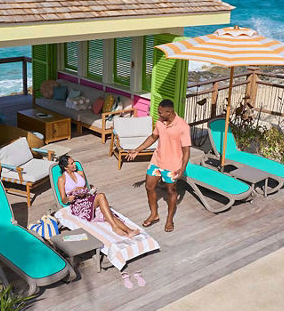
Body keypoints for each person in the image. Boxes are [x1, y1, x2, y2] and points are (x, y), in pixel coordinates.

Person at [127, 99, 191, 233]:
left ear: (169, 112)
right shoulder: (160, 122)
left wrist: (182, 169)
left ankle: (169, 220)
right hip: (157, 161)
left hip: (172, 165)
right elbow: (153, 137)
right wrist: (137, 150)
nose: (158, 115)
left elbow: (186, 150)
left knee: (171, 191)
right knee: (149, 186)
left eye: (161, 113)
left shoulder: (183, 127)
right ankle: (154, 214)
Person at [55, 154, 133, 237]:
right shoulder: (62, 179)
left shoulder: (80, 173)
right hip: (77, 205)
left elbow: (86, 188)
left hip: (86, 198)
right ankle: (115, 227)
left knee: (107, 211)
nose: (75, 164)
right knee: (101, 196)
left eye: (74, 162)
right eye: (72, 163)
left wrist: (91, 190)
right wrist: (68, 199)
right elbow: (63, 199)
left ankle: (129, 230)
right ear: (66, 167)